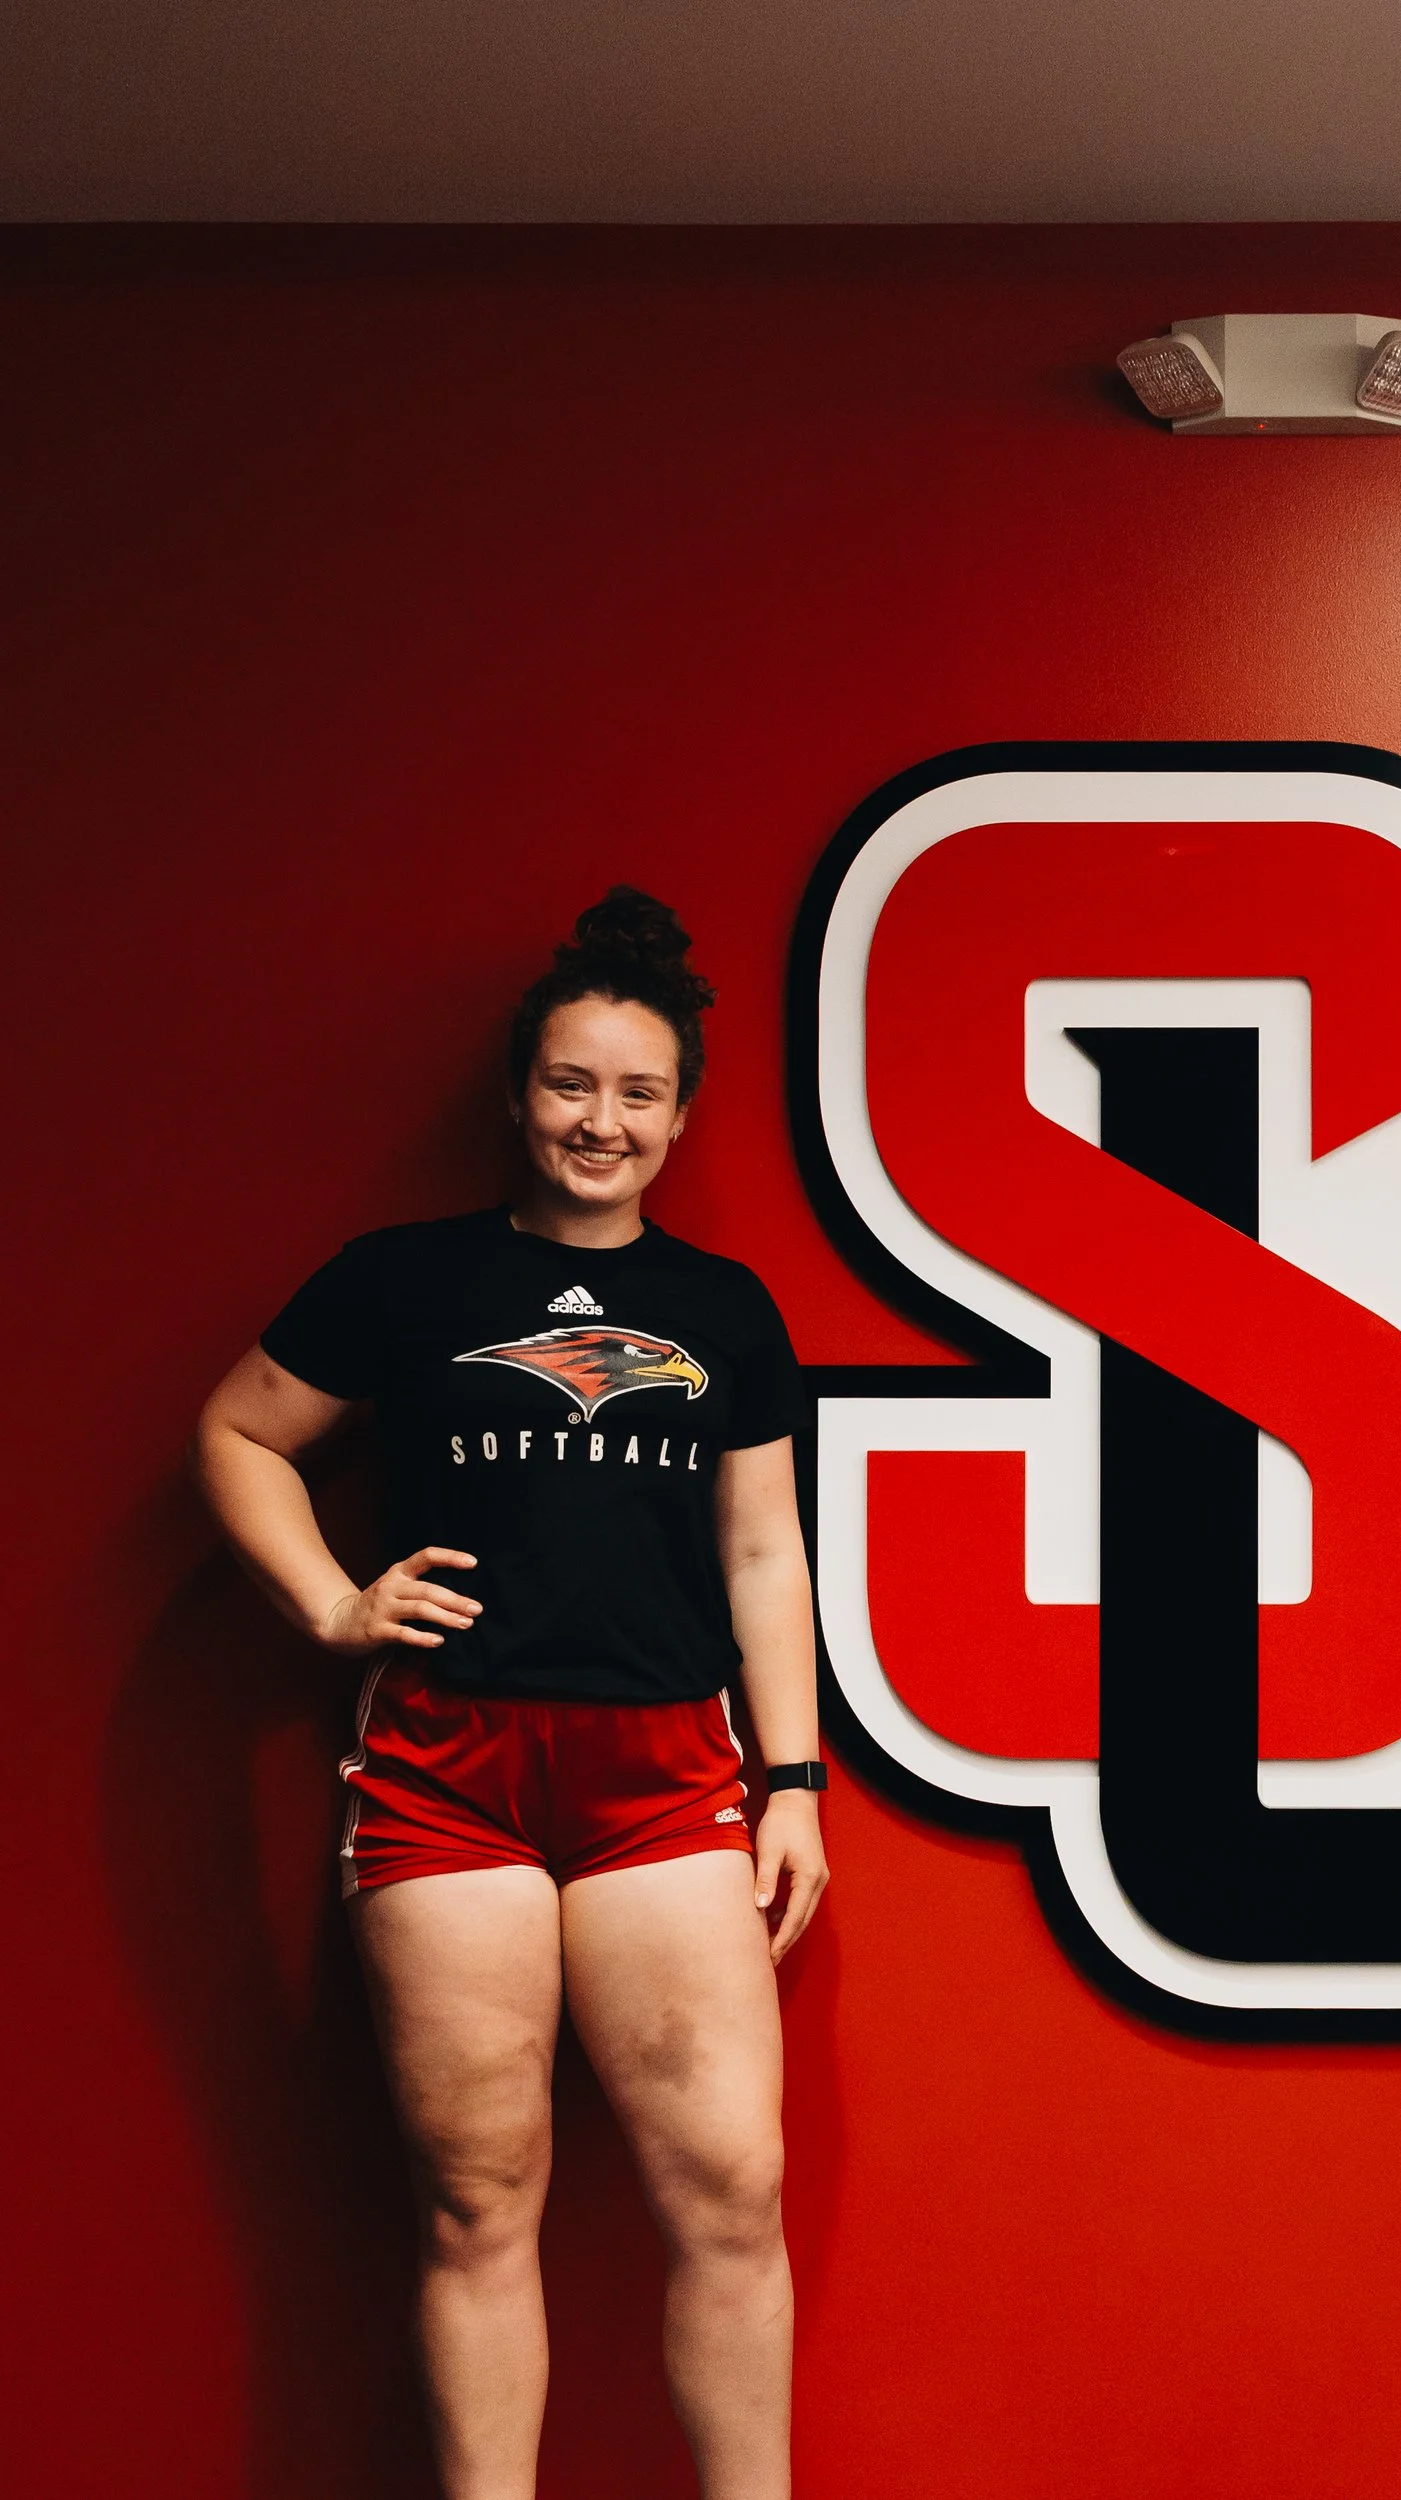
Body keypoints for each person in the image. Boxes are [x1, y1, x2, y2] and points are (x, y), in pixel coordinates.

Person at [196, 888, 828, 2500]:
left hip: (663, 1777)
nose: (597, 1119)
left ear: (679, 1116)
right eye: (568, 1083)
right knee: (480, 2201)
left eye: (634, 1092)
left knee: (733, 2188)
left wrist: (798, 1782)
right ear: (516, 1094)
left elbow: (764, 1556)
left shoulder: (725, 1313)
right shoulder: (402, 1285)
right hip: (444, 1770)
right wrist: (334, 1604)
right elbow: (238, 1433)